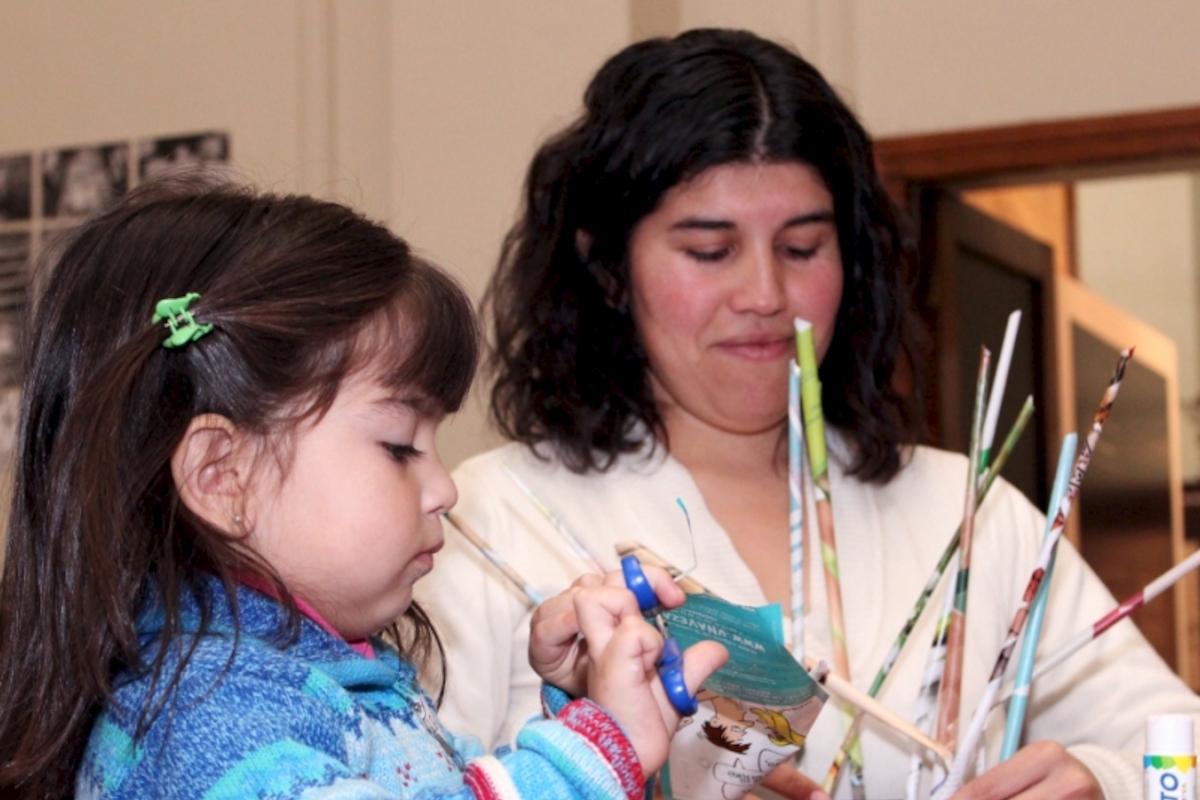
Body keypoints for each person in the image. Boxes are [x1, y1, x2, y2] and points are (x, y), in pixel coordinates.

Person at [416, 28, 1200, 800]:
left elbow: (1182, 749)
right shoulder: (486, 519)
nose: (765, 295)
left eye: (801, 248)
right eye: (709, 251)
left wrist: (1109, 781)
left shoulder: (970, 515)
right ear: (607, 266)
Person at [0, 175, 726, 800]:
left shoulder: (314, 675)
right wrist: (597, 753)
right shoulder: (210, 721)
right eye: (399, 447)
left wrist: (591, 704)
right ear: (221, 475)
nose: (443, 487)